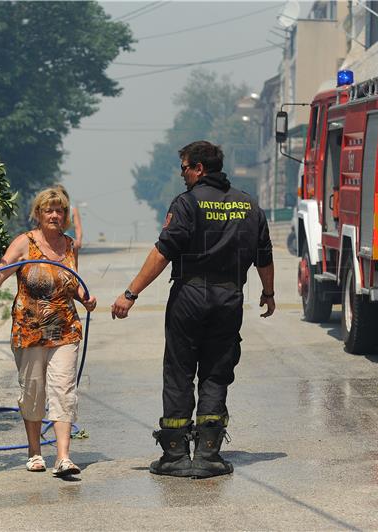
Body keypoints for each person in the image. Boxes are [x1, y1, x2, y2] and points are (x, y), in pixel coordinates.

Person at [110, 140, 275, 478]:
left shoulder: (187, 204)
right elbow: (265, 255)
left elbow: (163, 251)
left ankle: (175, 456)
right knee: (216, 371)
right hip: (229, 298)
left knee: (180, 371)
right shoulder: (249, 205)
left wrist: (131, 293)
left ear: (199, 168)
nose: (182, 174)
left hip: (190, 297)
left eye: (184, 167)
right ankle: (209, 455)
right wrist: (269, 293)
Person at [0, 187, 97, 477]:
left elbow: (72, 283)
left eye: (60, 210)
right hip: (29, 330)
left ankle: (64, 457)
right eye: (49, 210)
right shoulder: (24, 243)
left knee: (63, 390)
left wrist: (86, 298)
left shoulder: (69, 246)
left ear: (66, 216)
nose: (55, 215)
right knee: (33, 392)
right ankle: (34, 453)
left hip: (64, 329)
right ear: (39, 214)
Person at [54, 184, 83, 250]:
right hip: (54, 242)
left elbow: (78, 227)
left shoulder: (73, 210)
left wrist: (79, 240)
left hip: (70, 243)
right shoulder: (51, 212)